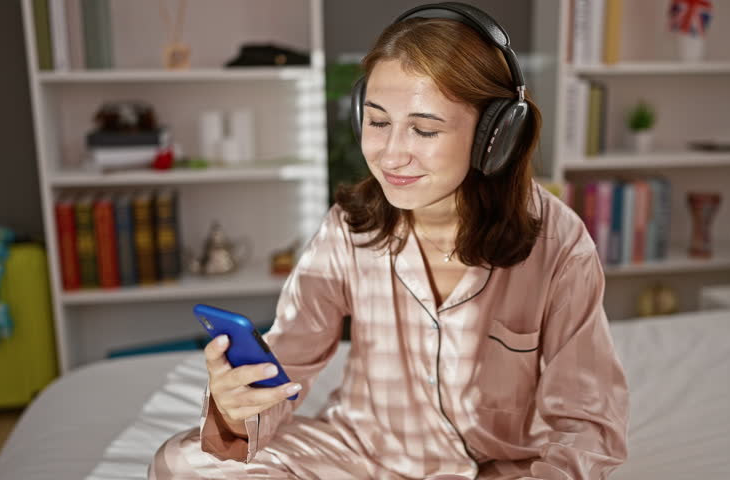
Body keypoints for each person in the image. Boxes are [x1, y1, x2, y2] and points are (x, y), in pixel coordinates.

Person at [149, 3, 628, 479]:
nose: (391, 155)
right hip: (361, 455)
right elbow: (285, 363)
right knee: (182, 462)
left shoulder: (559, 244)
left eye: (424, 129)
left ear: (494, 137)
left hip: (498, 470)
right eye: (378, 122)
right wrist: (237, 409)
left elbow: (586, 424)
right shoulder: (349, 228)